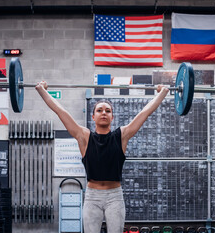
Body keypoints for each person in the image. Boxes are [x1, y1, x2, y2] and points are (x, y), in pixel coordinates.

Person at [35, 81, 169, 233]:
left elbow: (144, 113)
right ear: (93, 116)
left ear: (112, 117)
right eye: (99, 110)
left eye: (107, 110)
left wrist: (162, 93)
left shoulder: (122, 136)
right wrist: (42, 91)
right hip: (92, 197)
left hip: (115, 197)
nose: (104, 113)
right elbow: (61, 112)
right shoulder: (84, 137)